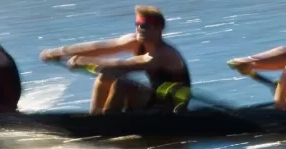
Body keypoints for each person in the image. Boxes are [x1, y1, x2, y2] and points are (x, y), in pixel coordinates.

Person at [40, 6, 191, 114]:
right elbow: (99, 48)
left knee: (121, 82)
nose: (139, 29)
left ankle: (109, 121)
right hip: (152, 97)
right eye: (137, 25)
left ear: (158, 28)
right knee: (106, 75)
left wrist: (84, 61)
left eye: (144, 26)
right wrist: (59, 52)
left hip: (171, 106)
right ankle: (95, 117)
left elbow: (125, 65)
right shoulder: (136, 41)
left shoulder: (165, 54)